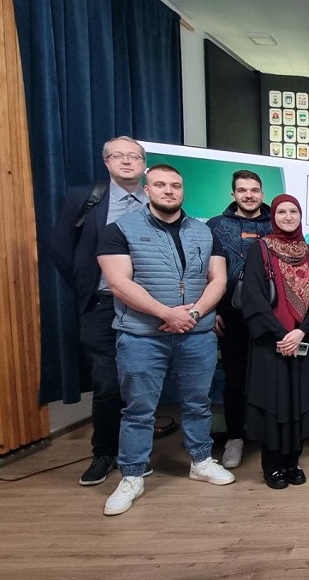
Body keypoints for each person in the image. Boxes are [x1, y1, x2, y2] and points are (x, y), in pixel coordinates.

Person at [96, 164, 234, 516]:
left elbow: (218, 279)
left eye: (175, 185)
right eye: (160, 185)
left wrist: (193, 314)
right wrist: (165, 313)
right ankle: (132, 476)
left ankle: (201, 461)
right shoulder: (119, 230)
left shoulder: (205, 231)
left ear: (182, 190)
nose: (168, 190)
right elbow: (119, 283)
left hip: (196, 335)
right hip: (142, 336)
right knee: (138, 410)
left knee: (198, 402)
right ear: (147, 189)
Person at [50, 136, 148, 487]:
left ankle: (136, 454)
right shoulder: (87, 198)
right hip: (103, 304)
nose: (126, 161)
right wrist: (87, 283)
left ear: (144, 164)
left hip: (149, 307)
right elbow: (60, 247)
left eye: (134, 156)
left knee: (141, 382)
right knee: (107, 383)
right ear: (107, 162)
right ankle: (104, 453)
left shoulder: (156, 198)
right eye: (118, 156)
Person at [239, 194, 309, 489]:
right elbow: (253, 297)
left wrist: (301, 332)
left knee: (298, 402)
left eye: (293, 212)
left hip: (302, 343)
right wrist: (280, 335)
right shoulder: (261, 249)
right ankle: (273, 465)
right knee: (274, 403)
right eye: (282, 212)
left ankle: (292, 462)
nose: (288, 217)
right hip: (271, 344)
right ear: (273, 216)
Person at [207, 170, 273, 470]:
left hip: (271, 317)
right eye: (243, 190)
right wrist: (210, 311)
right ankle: (235, 437)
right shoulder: (215, 227)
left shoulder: (276, 224)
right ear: (233, 194)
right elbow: (201, 272)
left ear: (262, 193)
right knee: (234, 380)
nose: (249, 195)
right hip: (230, 317)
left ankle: (270, 435)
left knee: (269, 377)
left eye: (254, 190)